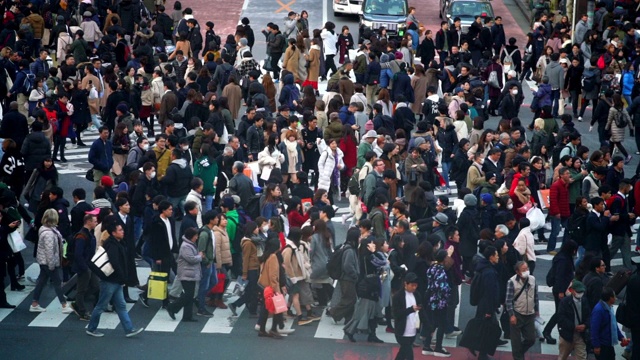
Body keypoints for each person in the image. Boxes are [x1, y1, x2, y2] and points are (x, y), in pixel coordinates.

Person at [86, 223, 144, 337]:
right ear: (113, 233)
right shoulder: (112, 245)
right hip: (110, 281)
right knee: (101, 305)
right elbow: (115, 262)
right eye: (120, 230)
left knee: (121, 306)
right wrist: (123, 276)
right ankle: (91, 328)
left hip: (115, 281)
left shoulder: (116, 243)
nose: (122, 231)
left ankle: (129, 329)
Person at [30, 209, 73, 314]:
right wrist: (52, 265)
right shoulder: (49, 233)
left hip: (44, 261)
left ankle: (34, 304)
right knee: (57, 282)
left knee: (41, 282)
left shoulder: (46, 229)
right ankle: (64, 305)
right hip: (49, 262)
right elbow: (49, 251)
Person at [344, 237, 386, 343]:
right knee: (363, 312)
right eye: (372, 244)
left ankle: (372, 334)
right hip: (368, 287)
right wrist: (374, 252)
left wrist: (374, 252)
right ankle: (350, 330)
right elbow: (381, 263)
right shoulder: (366, 256)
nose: (374, 245)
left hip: (372, 286)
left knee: (374, 312)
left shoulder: (367, 255)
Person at [166, 227, 202, 322]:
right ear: (191, 236)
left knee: (190, 295)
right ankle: (172, 307)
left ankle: (187, 316)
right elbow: (191, 259)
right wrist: (200, 256)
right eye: (195, 236)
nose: (197, 237)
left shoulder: (190, 244)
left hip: (190, 273)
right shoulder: (186, 246)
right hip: (186, 273)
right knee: (189, 294)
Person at [506, 261, 539, 360]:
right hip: (517, 314)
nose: (526, 271)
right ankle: (518, 357)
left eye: (527, 269)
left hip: (530, 314)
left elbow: (535, 296)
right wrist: (511, 315)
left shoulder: (532, 279)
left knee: (531, 339)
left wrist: (536, 310)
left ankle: (519, 354)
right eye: (524, 270)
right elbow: (508, 300)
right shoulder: (511, 282)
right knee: (515, 341)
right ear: (518, 272)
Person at [70, 213, 99, 321]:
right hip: (84, 267)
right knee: (81, 289)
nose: (96, 223)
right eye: (95, 221)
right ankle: (81, 310)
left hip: (90, 265)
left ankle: (78, 303)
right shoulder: (81, 236)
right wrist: (84, 267)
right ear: (88, 222)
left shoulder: (89, 234)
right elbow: (78, 254)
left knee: (95, 286)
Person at [257, 236, 286, 339]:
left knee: (266, 308)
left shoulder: (267, 255)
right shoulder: (273, 257)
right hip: (271, 287)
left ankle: (262, 329)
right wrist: (277, 290)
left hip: (263, 286)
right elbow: (273, 276)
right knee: (278, 308)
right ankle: (273, 329)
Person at [590, 287, 630, 359]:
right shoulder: (599, 310)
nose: (615, 298)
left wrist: (621, 337)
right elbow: (594, 330)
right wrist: (596, 346)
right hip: (602, 345)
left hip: (609, 344)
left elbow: (614, 325)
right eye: (614, 296)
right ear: (610, 298)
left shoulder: (609, 308)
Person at [330, 227, 360, 324]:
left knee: (349, 298)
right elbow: (348, 266)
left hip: (345, 278)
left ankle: (348, 318)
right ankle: (334, 312)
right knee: (349, 299)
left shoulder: (346, 246)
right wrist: (355, 275)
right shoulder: (350, 250)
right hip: (347, 279)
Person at [393, 272, 423, 360]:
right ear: (405, 283)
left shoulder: (417, 295)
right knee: (409, 353)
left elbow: (422, 311)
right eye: (412, 285)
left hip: (413, 329)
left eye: (416, 285)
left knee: (403, 353)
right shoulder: (398, 296)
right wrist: (410, 310)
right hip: (402, 331)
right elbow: (396, 314)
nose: (414, 287)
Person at [557, 280, 590, 360]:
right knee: (563, 356)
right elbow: (561, 319)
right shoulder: (564, 302)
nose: (580, 293)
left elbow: (589, 316)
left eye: (582, 291)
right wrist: (574, 327)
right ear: (571, 290)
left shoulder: (585, 301)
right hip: (567, 335)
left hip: (580, 336)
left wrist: (585, 325)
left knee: (582, 357)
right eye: (578, 291)